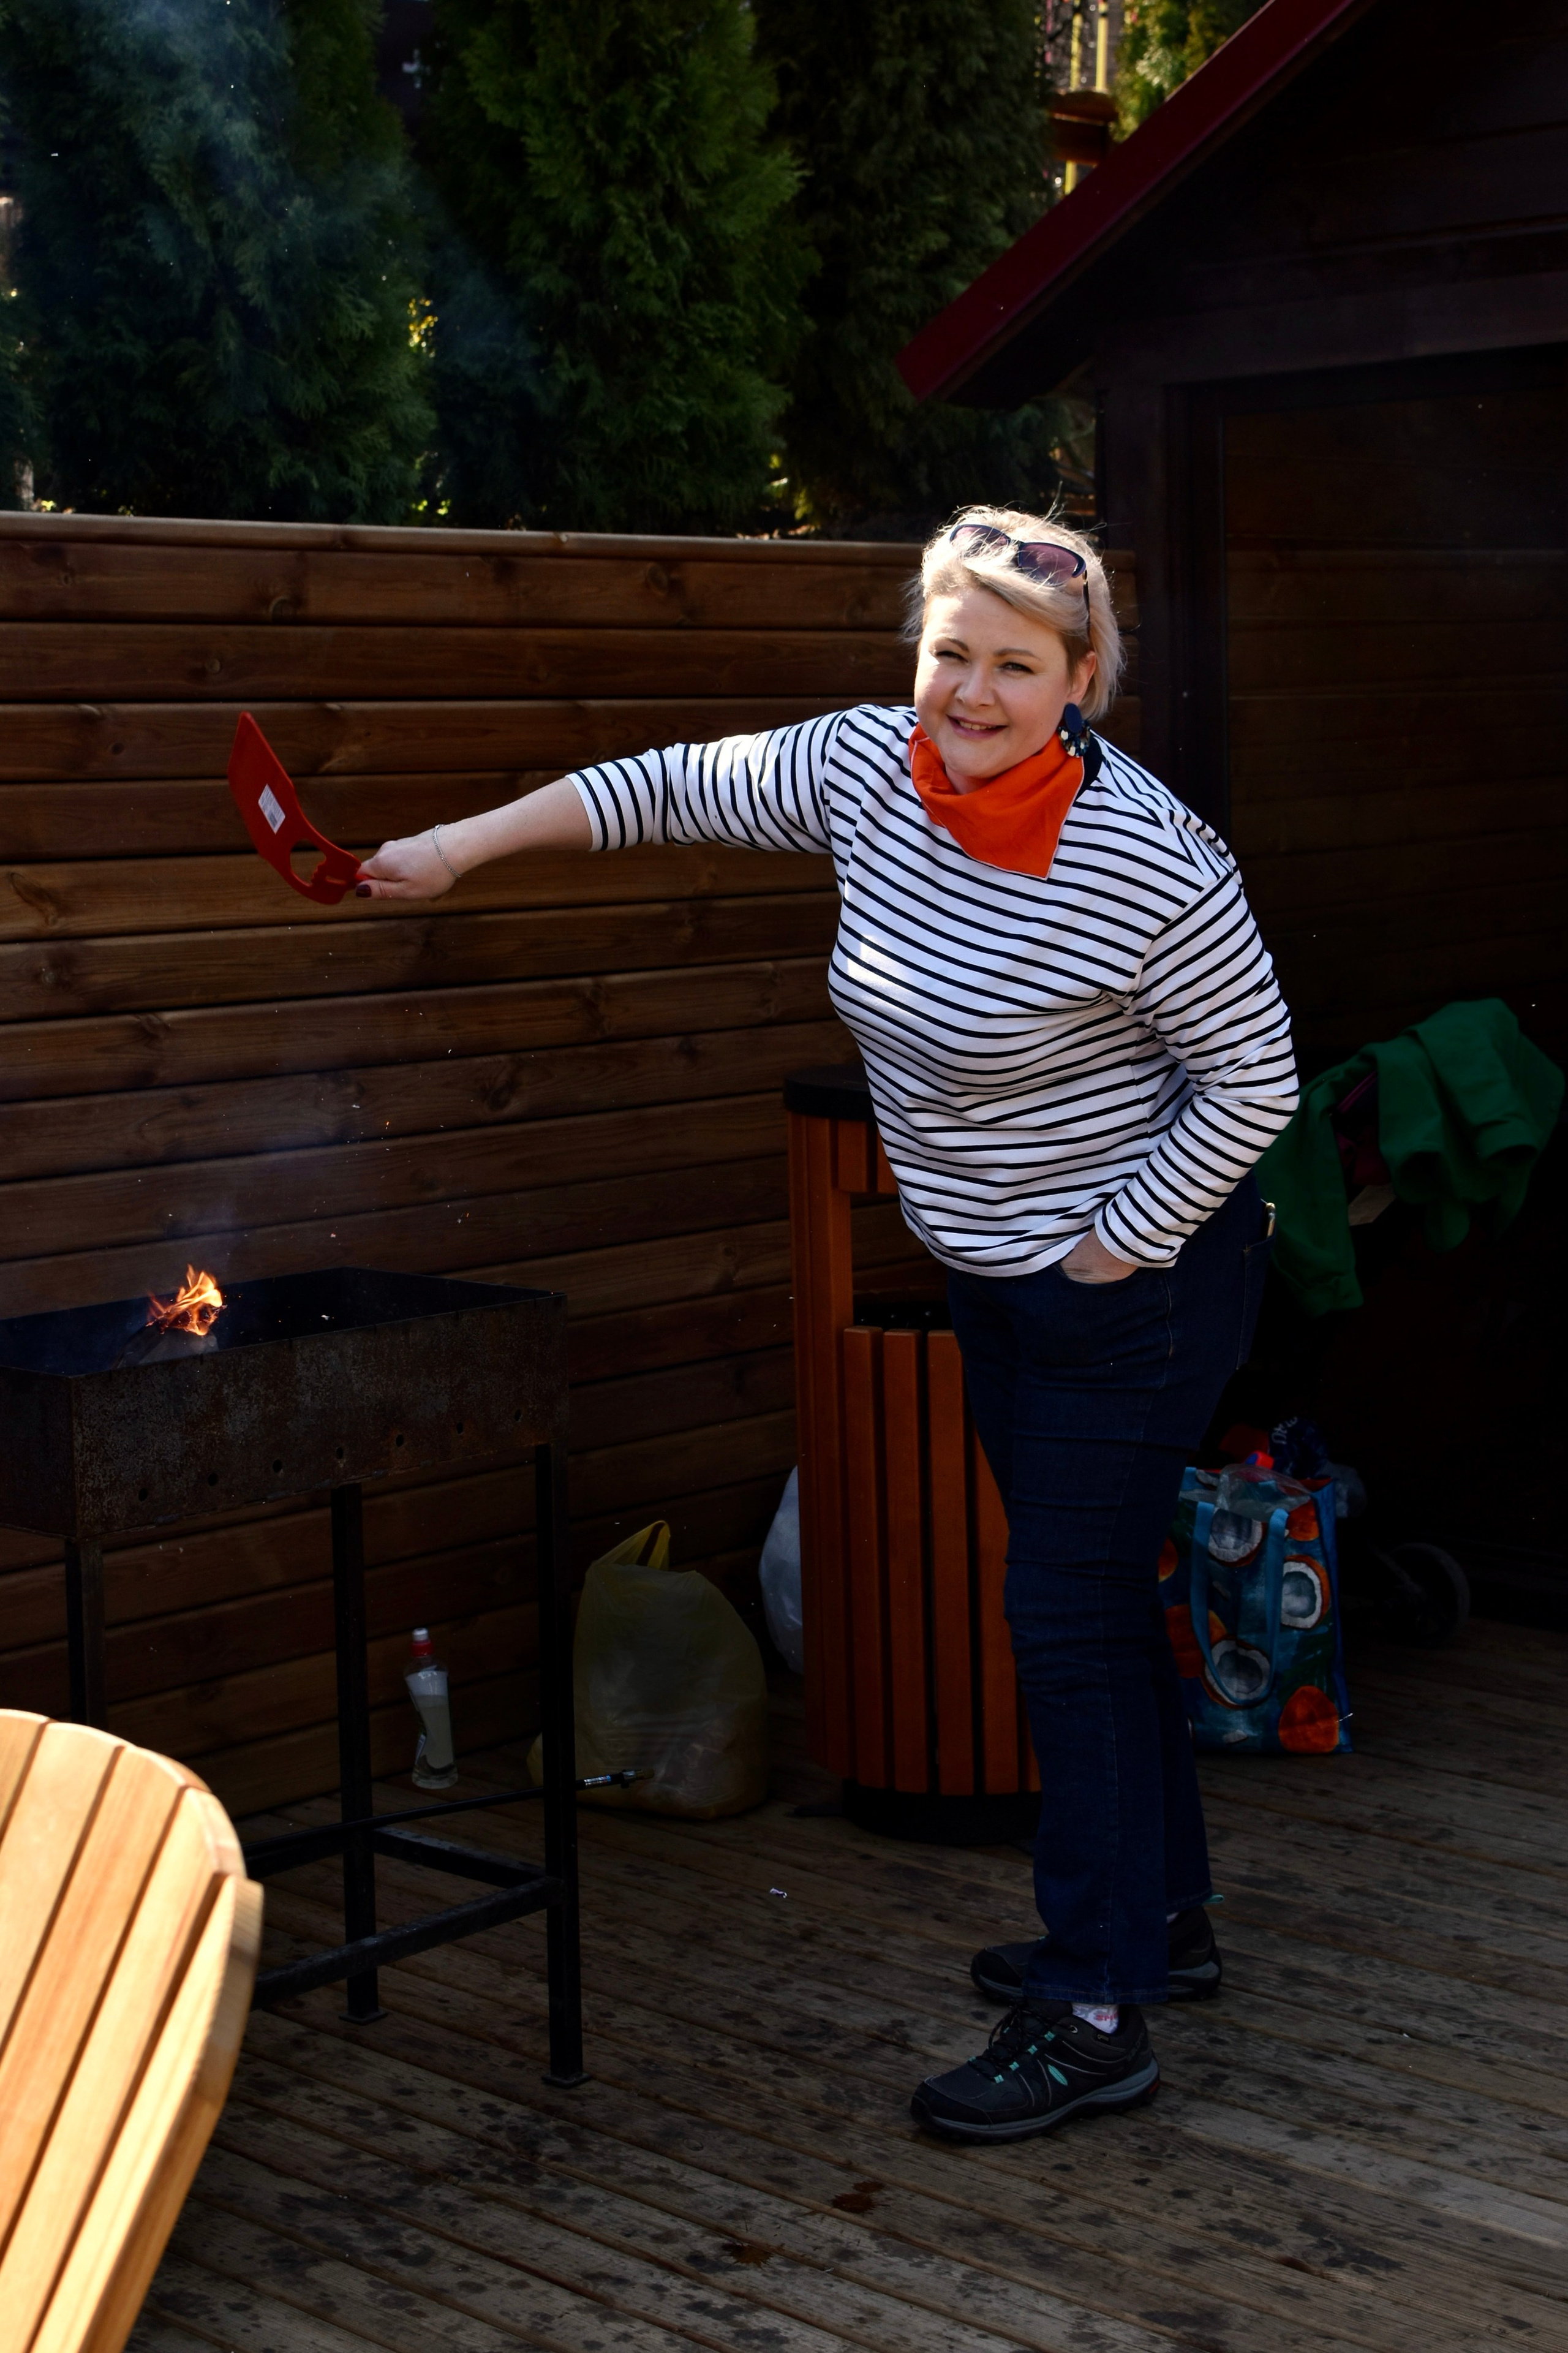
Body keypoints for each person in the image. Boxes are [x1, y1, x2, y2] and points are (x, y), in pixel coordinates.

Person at [357, 505, 1298, 2143]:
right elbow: (661, 787)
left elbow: (1257, 1080)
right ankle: (1157, 1925)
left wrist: (1112, 1243)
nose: (974, 690)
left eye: (1018, 663)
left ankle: (1094, 2006)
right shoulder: (868, 771)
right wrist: (458, 845)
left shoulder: (1151, 854)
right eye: (953, 653)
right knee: (1094, 1603)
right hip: (1000, 1271)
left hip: (1131, 1290)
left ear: (1083, 681)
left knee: (1062, 1617)